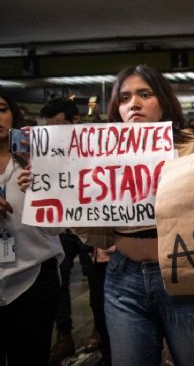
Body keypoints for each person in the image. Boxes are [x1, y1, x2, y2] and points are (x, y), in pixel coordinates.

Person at [70, 65, 194, 366]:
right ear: (117, 108)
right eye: (124, 98)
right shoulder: (99, 159)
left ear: (162, 100)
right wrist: (59, 195)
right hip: (124, 279)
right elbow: (93, 234)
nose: (133, 103)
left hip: (185, 277)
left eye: (144, 94)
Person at [0, 91, 64, 366]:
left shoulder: (38, 160)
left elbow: (58, 228)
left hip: (35, 276)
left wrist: (43, 191)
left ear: (13, 113)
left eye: (1, 108)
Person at [37, 97, 97, 365]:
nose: (54, 134)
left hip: (91, 221)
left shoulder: (95, 148)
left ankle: (100, 329)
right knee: (60, 282)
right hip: (61, 225)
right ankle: (64, 336)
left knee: (95, 278)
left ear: (76, 122)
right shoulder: (46, 151)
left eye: (59, 127)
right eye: (49, 128)